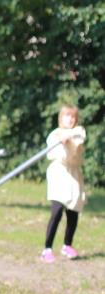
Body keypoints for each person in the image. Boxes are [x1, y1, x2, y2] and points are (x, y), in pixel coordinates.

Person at [41, 105, 87, 262]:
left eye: (73, 116)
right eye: (67, 116)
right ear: (61, 118)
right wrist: (60, 139)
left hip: (73, 175)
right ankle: (47, 249)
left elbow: (78, 140)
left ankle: (67, 245)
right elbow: (52, 147)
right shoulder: (54, 134)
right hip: (59, 174)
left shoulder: (79, 131)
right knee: (57, 210)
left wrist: (68, 140)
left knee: (73, 211)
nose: (71, 119)